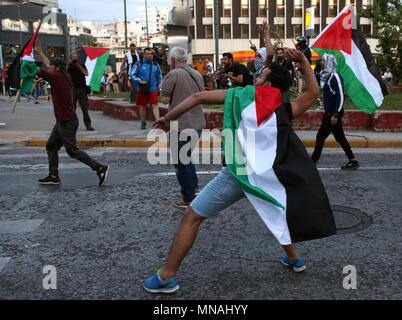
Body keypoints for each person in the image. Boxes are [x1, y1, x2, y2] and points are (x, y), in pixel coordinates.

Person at [144, 44, 335, 293]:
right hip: (267, 178)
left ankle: (166, 277)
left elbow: (197, 98)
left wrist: (167, 118)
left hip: (237, 174)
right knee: (275, 209)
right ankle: (294, 258)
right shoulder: (284, 110)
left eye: (261, 76)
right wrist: (301, 61)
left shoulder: (241, 96)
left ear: (266, 85)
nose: (256, 78)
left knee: (191, 216)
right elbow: (312, 91)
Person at [34, 39, 109, 186]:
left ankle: (100, 168)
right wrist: (40, 53)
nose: (50, 68)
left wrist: (27, 61)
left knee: (72, 151)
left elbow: (40, 70)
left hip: (67, 121)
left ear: (56, 68)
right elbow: (48, 66)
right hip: (63, 121)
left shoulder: (58, 78)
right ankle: (54, 175)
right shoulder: (61, 75)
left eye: (52, 67)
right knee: (51, 146)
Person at [160, 47, 206, 208]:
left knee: (181, 162)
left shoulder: (172, 74)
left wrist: (162, 87)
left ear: (173, 60)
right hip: (197, 122)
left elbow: (165, 100)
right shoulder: (197, 74)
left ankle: (187, 198)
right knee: (186, 159)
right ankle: (193, 190)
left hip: (180, 124)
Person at [311, 54, 359, 170]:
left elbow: (341, 96)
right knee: (340, 137)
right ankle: (352, 160)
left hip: (333, 113)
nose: (321, 62)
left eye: (323, 60)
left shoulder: (335, 77)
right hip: (330, 112)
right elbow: (313, 77)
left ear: (329, 62)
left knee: (321, 136)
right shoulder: (325, 76)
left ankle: (312, 162)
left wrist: (336, 114)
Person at [129, 47, 162, 129]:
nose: (149, 55)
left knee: (155, 104)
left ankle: (158, 122)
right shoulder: (139, 63)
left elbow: (159, 74)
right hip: (142, 88)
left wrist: (160, 83)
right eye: (147, 54)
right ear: (144, 55)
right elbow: (132, 74)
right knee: (142, 105)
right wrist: (139, 81)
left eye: (151, 54)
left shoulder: (155, 63)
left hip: (152, 88)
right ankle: (143, 122)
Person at [67, 53, 94, 131]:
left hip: (82, 89)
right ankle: (71, 125)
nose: (75, 59)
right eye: (73, 58)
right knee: (72, 109)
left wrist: (78, 66)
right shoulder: (69, 66)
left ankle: (88, 125)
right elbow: (63, 74)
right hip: (72, 89)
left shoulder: (81, 65)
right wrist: (68, 64)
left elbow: (86, 73)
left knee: (85, 108)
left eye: (76, 58)